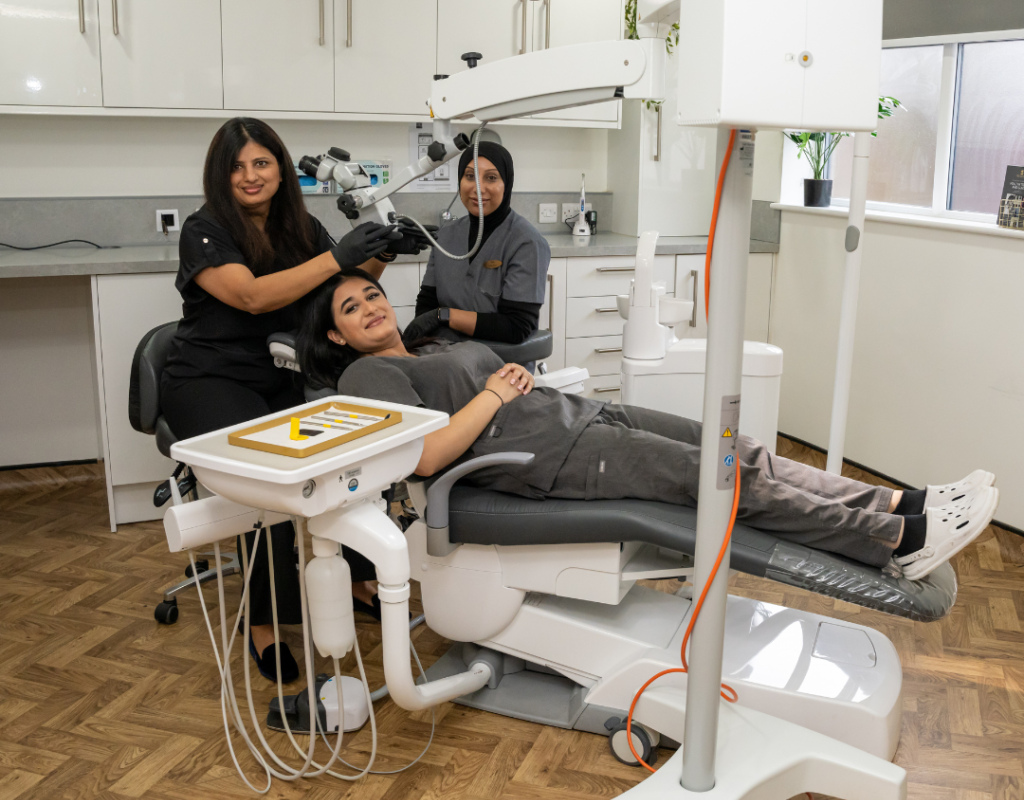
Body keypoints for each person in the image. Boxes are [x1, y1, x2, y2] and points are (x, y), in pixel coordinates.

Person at [299, 268, 999, 582]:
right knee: (718, 478)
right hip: (545, 457)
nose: (369, 308)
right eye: (351, 311)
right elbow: (424, 458)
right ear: (335, 338)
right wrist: (492, 395)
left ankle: (903, 503)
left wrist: (509, 386)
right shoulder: (365, 377)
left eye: (371, 296)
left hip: (581, 417)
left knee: (738, 449)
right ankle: (892, 542)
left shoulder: (423, 345)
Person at [160, 117, 428, 682]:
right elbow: (254, 297)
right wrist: (341, 256)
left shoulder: (299, 225)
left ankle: (357, 577)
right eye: (237, 166)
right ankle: (265, 623)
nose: (250, 176)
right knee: (271, 487)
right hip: (208, 377)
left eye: (261, 162)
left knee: (350, 463)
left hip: (281, 372)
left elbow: (339, 287)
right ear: (220, 175)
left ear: (280, 167)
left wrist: (383, 253)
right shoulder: (204, 230)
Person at [403, 141, 551, 347]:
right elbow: (427, 306)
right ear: (459, 181)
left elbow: (517, 327)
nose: (478, 188)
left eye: (491, 178)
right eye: (470, 176)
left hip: (500, 363)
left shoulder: (526, 242)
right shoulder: (446, 236)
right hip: (445, 356)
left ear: (506, 184)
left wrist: (446, 316)